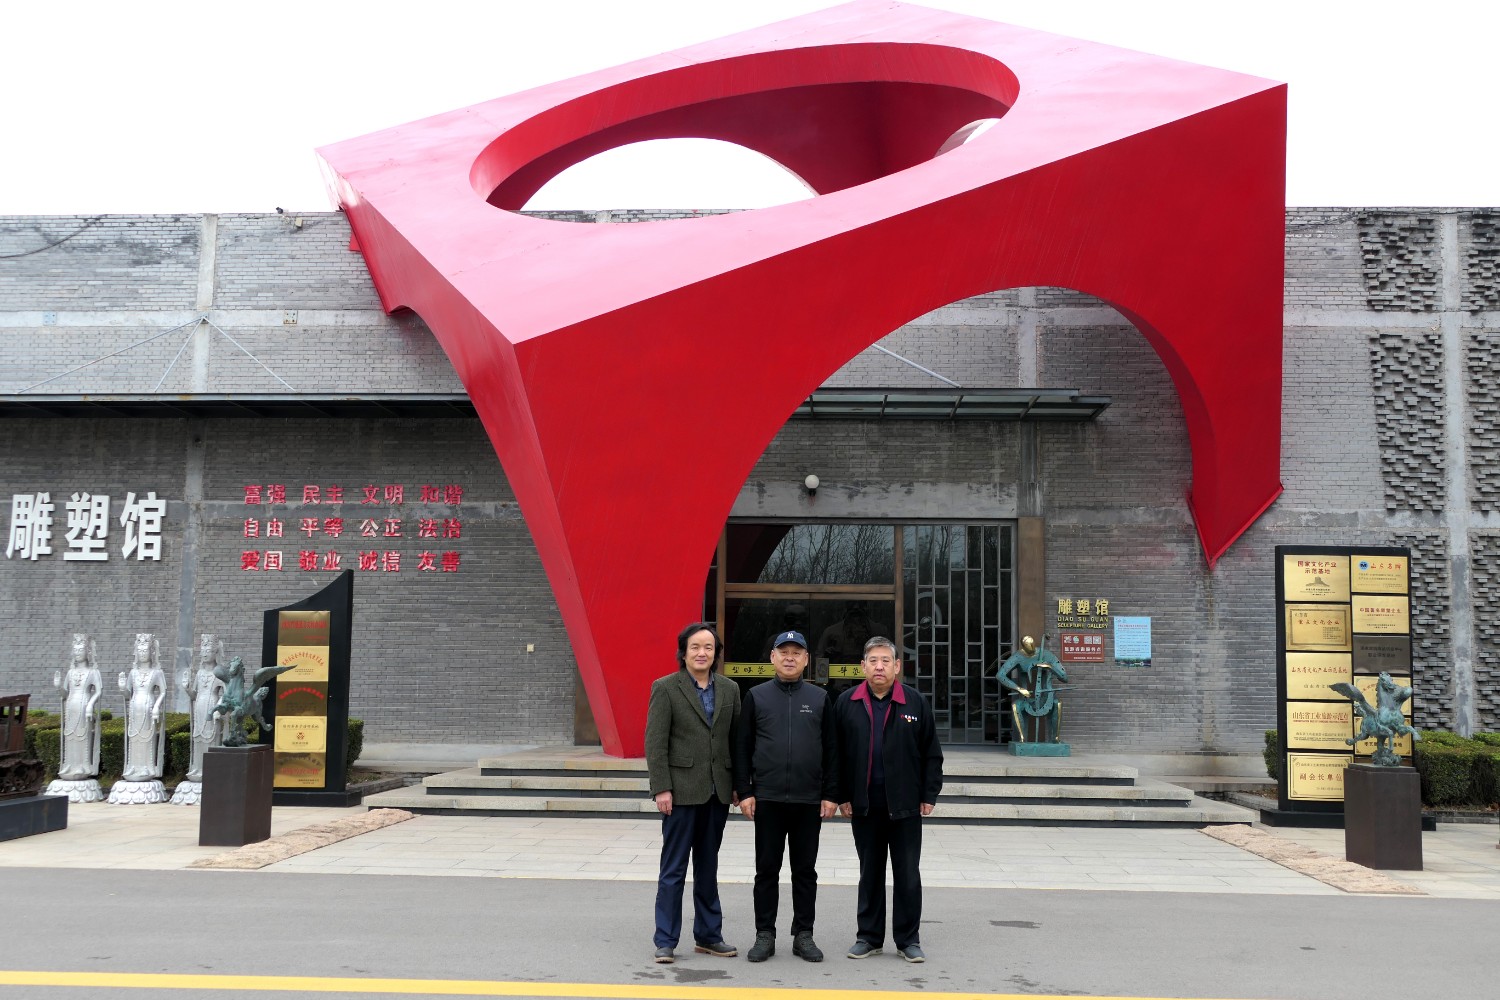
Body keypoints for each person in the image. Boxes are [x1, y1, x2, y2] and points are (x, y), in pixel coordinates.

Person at [832, 636, 943, 963]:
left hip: (905, 804)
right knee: (870, 873)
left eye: (885, 661)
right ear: (862, 666)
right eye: (873, 661)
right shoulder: (847, 702)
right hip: (864, 805)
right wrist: (841, 795)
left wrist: (929, 793)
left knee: (907, 874)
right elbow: (836, 755)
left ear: (897, 666)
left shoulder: (915, 702)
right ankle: (869, 937)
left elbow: (931, 752)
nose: (879, 667)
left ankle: (908, 940)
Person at [734, 629, 838, 963]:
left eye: (796, 653)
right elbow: (742, 747)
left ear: (807, 659)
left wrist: (831, 794)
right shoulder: (756, 696)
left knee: (805, 871)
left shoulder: (820, 698)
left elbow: (832, 750)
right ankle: (764, 934)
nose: (790, 658)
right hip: (768, 798)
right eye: (784, 652)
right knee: (766, 870)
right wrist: (745, 791)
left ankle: (803, 935)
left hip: (809, 800)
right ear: (773, 657)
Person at [644, 621, 742, 965]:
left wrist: (738, 785)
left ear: (716, 654)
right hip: (680, 792)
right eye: (695, 647)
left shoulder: (730, 689)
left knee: (708, 867)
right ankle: (666, 940)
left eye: (709, 647)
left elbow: (735, 740)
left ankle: (709, 936)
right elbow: (655, 743)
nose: (702, 653)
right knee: (673, 869)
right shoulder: (665, 688)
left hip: (717, 792)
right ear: (683, 653)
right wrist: (661, 788)